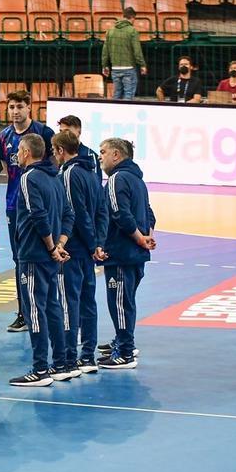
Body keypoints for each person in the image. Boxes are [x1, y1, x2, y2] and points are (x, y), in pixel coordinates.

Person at [8, 134, 73, 387]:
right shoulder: (55, 178)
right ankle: (61, 364)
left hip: (34, 254)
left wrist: (50, 246)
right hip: (50, 255)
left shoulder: (28, 178)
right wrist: (59, 245)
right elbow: (68, 214)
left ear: (25, 152)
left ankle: (40, 369)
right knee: (53, 306)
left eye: (19, 151)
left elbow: (38, 215)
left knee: (35, 309)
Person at [0, 89, 55, 334]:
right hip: (14, 205)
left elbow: (54, 165)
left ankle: (49, 308)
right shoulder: (3, 137)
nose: (15, 111)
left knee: (46, 254)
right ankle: (23, 312)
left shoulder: (44, 133)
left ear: (29, 107)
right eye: (11, 107)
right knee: (19, 257)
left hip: (41, 202)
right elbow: (4, 166)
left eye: (20, 106)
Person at [52, 131, 109, 375]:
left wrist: (89, 243)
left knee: (69, 302)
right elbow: (102, 211)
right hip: (88, 249)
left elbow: (76, 213)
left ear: (60, 151)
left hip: (74, 248)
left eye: (54, 151)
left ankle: (68, 358)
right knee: (88, 301)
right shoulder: (91, 172)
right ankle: (88, 356)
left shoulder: (68, 174)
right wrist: (99, 243)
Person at [97, 137, 155, 370]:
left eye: (103, 152)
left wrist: (140, 238)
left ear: (116, 155)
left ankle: (125, 351)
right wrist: (146, 237)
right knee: (127, 300)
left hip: (121, 252)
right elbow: (149, 213)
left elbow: (119, 214)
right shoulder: (138, 181)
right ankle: (122, 343)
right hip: (136, 254)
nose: (100, 157)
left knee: (120, 302)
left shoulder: (116, 180)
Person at [101, 6, 147, 100]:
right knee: (128, 95)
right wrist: (142, 64)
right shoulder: (132, 31)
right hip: (129, 68)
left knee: (117, 94)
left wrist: (105, 65)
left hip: (115, 68)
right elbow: (137, 50)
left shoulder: (110, 31)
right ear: (133, 17)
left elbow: (105, 51)